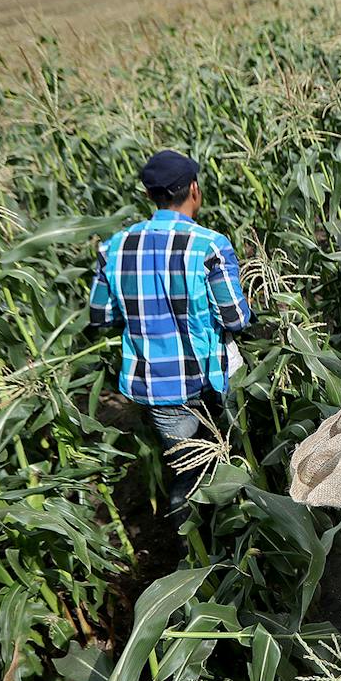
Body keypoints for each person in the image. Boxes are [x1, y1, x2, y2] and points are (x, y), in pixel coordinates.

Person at [89, 149, 252, 512]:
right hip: (213, 376)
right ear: (194, 190)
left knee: (189, 471)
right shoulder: (209, 245)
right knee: (238, 461)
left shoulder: (113, 248)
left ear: (149, 196)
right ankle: (242, 532)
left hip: (158, 387)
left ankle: (193, 546)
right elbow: (235, 318)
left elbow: (100, 315)